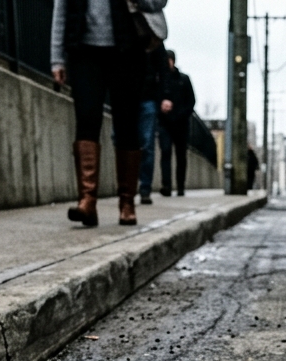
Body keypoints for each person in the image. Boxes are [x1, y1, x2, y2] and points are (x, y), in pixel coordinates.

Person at [50, 0, 153, 227]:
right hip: (84, 51)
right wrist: (57, 58)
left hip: (127, 50)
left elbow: (157, 2)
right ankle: (87, 200)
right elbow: (61, 8)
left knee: (127, 125)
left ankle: (127, 202)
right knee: (86, 120)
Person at [158, 50, 195, 197]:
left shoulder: (183, 79)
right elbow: (155, 98)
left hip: (181, 124)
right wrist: (161, 108)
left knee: (181, 156)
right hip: (165, 123)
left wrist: (180, 114)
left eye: (169, 59)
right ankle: (166, 185)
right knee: (165, 153)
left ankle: (180, 186)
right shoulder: (160, 80)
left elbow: (191, 102)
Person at [139, 43, 169, 205]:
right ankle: (127, 186)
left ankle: (145, 188)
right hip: (126, 93)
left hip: (148, 97)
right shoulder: (123, 28)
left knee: (147, 144)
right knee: (121, 140)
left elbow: (163, 69)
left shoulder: (153, 35)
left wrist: (164, 95)